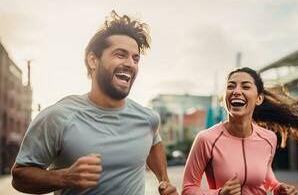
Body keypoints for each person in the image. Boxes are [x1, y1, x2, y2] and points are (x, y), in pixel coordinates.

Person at [11, 11, 178, 195]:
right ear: (93, 60)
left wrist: (164, 180)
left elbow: (154, 142)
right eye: (120, 54)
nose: (130, 63)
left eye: (135, 58)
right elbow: (19, 176)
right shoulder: (58, 116)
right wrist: (64, 177)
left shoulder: (148, 119)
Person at [182, 67, 298, 195]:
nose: (236, 91)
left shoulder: (268, 138)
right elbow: (188, 189)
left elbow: (266, 176)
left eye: (245, 87)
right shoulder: (206, 139)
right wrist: (219, 194)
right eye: (231, 86)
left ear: (259, 98)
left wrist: (277, 187)